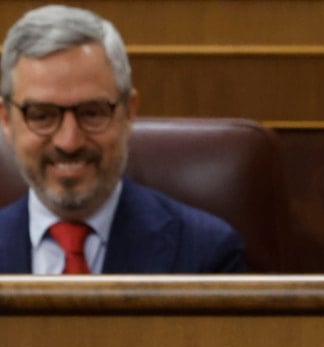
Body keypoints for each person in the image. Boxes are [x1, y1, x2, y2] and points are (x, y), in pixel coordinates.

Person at [0, 5, 244, 274]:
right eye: (42, 116)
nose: (69, 142)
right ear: (7, 121)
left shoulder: (207, 253)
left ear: (129, 113)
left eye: (92, 113)